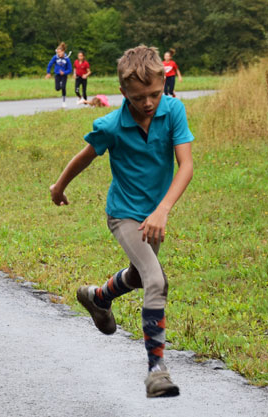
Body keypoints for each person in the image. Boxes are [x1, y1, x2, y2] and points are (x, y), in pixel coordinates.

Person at [49, 45, 194, 398]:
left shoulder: (173, 111)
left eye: (155, 94)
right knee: (156, 281)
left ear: (164, 83)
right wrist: (59, 187)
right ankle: (156, 372)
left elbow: (186, 166)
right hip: (124, 214)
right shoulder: (111, 125)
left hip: (153, 215)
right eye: (138, 97)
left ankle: (98, 297)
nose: (148, 103)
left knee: (138, 276)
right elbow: (84, 157)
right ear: (123, 92)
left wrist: (162, 209)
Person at [45, 42, 73, 108]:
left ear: (63, 51)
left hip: (64, 76)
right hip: (57, 75)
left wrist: (64, 72)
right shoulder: (55, 57)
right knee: (57, 88)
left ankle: (64, 101)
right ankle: (60, 84)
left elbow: (70, 69)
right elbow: (50, 64)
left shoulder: (67, 59)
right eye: (58, 53)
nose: (58, 54)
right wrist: (48, 72)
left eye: (60, 52)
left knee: (63, 87)